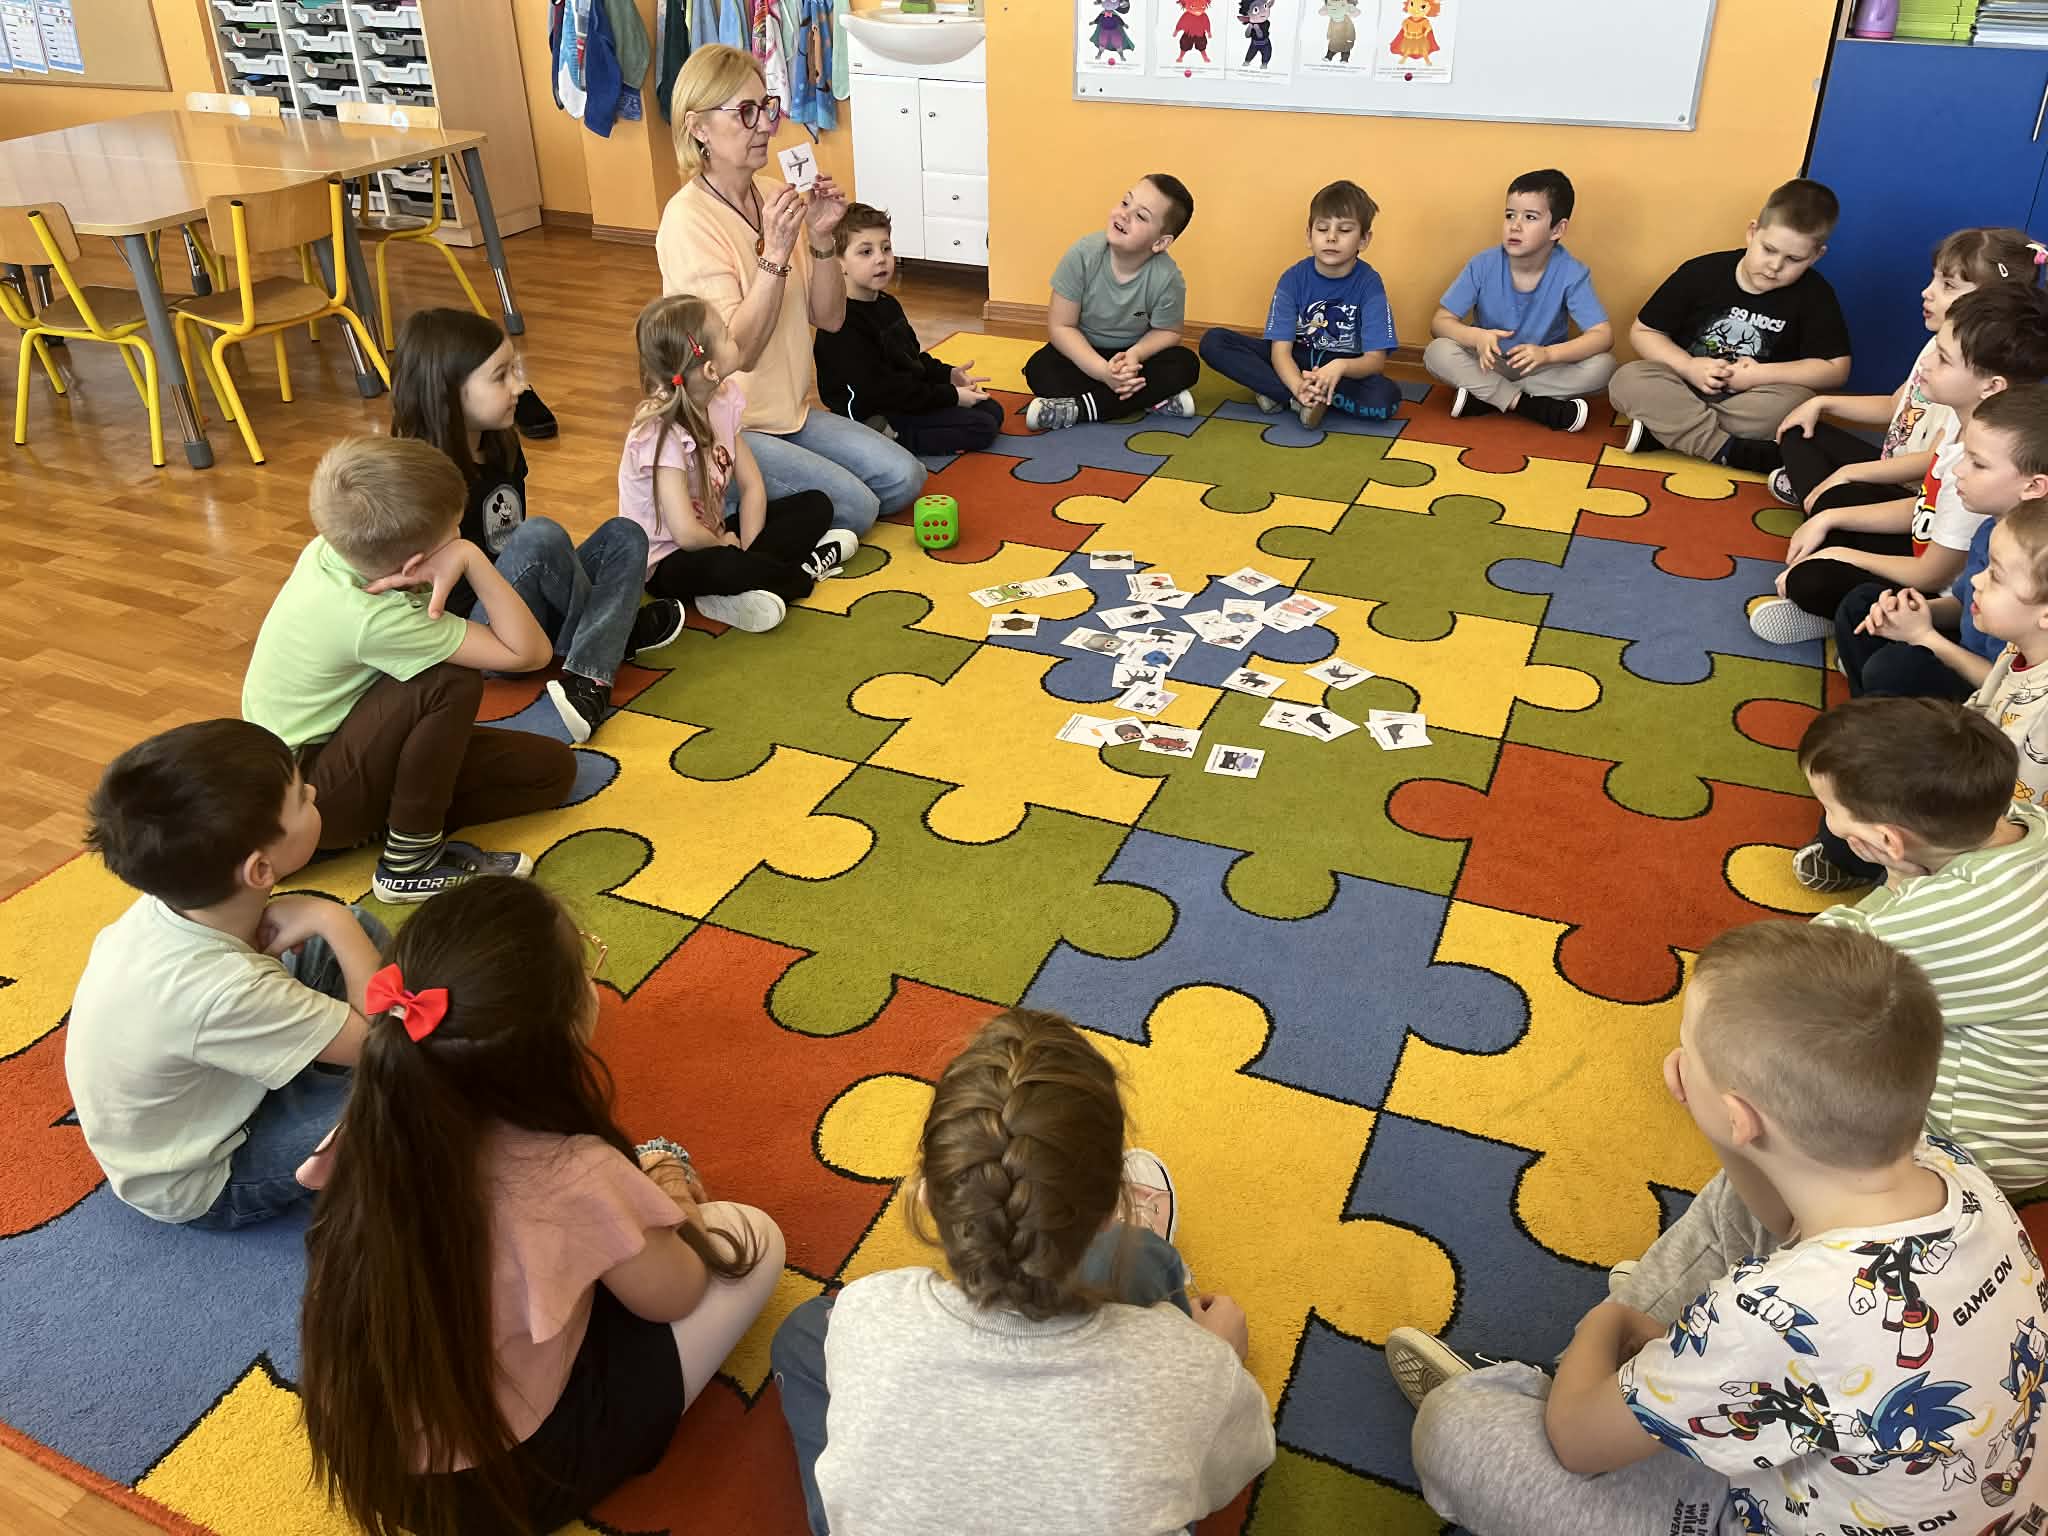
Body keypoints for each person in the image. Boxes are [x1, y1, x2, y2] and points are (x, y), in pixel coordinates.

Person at [1386, 920, 2048, 1535]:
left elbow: (1577, 1443)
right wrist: (1725, 1136)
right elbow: (1785, 1219)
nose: (1678, 1058)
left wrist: (1609, 1323)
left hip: (1763, 1499)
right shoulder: (1953, 1169)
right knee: (1745, 1195)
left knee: (1460, 1432)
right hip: (1938, 1475)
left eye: (1687, 1047)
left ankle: (1569, 1382)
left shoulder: (1765, 1317)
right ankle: (1660, 1381)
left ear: (1740, 1116)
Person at [297, 876, 784, 1536]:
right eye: (584, 962)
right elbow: (676, 1295)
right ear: (562, 1027)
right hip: (501, 1489)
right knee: (752, 1237)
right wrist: (667, 1186)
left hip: (371, 1461)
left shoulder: (372, 1126)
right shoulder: (576, 1172)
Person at [768, 1008, 1275, 1535]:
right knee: (1144, 1262)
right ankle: (1138, 1249)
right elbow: (1237, 1464)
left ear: (927, 1196)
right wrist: (1219, 1356)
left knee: (806, 1332)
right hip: (1160, 1378)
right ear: (1110, 1208)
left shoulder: (867, 1310)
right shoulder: (1194, 1365)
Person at [65, 719, 385, 1229]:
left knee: (347, 939)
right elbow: (380, 1046)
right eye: (298, 798)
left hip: (208, 1096)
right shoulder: (226, 989)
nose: (313, 791)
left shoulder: (170, 906)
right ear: (260, 870)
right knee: (404, 1093)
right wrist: (331, 918)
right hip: (211, 1174)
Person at [241, 437, 576, 904]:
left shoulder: (331, 550)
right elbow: (530, 653)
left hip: (342, 753)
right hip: (308, 793)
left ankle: (388, 824)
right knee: (449, 678)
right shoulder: (372, 617)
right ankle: (409, 861)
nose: (461, 535)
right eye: (457, 529)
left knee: (552, 772)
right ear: (415, 562)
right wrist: (471, 558)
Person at [657, 44, 926, 538]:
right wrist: (776, 255)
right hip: (729, 430)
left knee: (905, 477)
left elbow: (830, 318)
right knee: (858, 508)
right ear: (699, 128)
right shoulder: (686, 221)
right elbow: (738, 353)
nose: (765, 124)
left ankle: (775, 504)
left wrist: (821, 239)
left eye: (767, 106)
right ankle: (721, 508)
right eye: (746, 111)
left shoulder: (770, 193)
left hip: (791, 415)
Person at [389, 308, 685, 744]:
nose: (520, 387)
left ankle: (598, 650)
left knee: (626, 534)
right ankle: (601, 661)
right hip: (485, 634)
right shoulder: (417, 476)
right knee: (539, 535)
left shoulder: (501, 442)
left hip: (524, 608)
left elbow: (515, 553)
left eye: (515, 371)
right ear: (448, 391)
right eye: (500, 376)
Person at [1791, 698, 2048, 1188]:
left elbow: (1801, 964)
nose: (1829, 822)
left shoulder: (1950, 914)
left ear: (1888, 842)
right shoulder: (2030, 820)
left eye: (1829, 810)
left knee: (1780, 1042)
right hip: (2032, 1120)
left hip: (1970, 1148)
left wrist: (1896, 882)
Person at [1753, 285, 2048, 646]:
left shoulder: (1982, 464)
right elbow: (1925, 505)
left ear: (1991, 386)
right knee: (1835, 503)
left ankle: (1856, 622)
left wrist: (1837, 553)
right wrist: (1830, 518)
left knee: (1813, 578)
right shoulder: (1965, 429)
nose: (1926, 363)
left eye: (1943, 359)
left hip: (1938, 594)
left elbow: (1929, 574)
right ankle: (1847, 610)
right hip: (1922, 545)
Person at [620, 295, 852, 635]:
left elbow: (752, 486)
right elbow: (685, 533)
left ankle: (748, 583)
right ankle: (801, 573)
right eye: (726, 334)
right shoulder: (660, 434)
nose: (734, 336)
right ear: (710, 369)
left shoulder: (723, 400)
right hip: (670, 562)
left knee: (817, 504)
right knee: (725, 565)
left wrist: (748, 548)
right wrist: (726, 547)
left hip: (716, 536)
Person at [1771, 227, 2044, 515]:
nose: (1927, 292)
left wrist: (1851, 473)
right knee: (1799, 433)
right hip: (1889, 466)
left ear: (1989, 303)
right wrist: (1822, 403)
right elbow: (1894, 406)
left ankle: (1817, 496)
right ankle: (1815, 491)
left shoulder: (1972, 382)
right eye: (1934, 279)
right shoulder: (1935, 346)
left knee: (1835, 496)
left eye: (1948, 285)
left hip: (1915, 494)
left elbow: (1931, 462)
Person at [1610, 178, 1851, 473]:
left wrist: (1760, 375)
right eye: (1769, 249)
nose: (1775, 266)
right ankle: (1728, 450)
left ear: (1816, 256)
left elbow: (1835, 369)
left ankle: (1662, 432)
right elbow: (1644, 331)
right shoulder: (1702, 271)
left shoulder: (1815, 294)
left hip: (1752, 399)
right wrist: (1688, 366)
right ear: (1752, 232)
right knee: (1627, 378)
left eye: (1793, 259)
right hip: (1682, 386)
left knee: (1799, 402)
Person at [1835, 382, 2048, 704]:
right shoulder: (1990, 527)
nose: (1958, 470)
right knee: (1863, 604)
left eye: (1978, 463)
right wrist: (1909, 614)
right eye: (1964, 455)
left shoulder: (2035, 560)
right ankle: (1871, 707)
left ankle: (1880, 718)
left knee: (1896, 667)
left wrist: (1926, 637)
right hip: (1966, 654)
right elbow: (1965, 606)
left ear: (2033, 486)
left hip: (1998, 696)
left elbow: (2012, 688)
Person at [1422, 168, 1615, 434]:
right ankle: (1528, 405)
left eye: (1530, 217)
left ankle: (1487, 398)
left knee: (1604, 366)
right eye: (1510, 215)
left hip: (1540, 367)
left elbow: (1602, 335)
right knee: (1437, 352)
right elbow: (1440, 322)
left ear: (1557, 229)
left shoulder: (1572, 272)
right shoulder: (1483, 264)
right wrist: (1476, 337)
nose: (1515, 226)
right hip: (1488, 364)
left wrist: (1548, 354)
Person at [1199, 178, 1400, 430]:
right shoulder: (1292, 279)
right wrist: (1296, 385)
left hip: (1342, 369)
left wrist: (1339, 367)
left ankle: (1276, 390)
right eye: (1322, 229)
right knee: (1214, 341)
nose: (1331, 237)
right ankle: (1301, 397)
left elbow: (1375, 361)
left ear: (1363, 240)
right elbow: (1280, 351)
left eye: (1345, 230)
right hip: (1296, 358)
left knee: (1386, 399)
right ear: (1309, 235)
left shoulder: (1370, 284)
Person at [812, 202, 1004, 455]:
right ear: (840, 263)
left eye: (886, 248)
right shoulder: (841, 321)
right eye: (866, 252)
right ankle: (893, 440)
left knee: (992, 410)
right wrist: (951, 396)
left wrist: (947, 374)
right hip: (872, 413)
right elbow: (882, 390)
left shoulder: (888, 304)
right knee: (982, 427)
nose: (880, 259)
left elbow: (912, 360)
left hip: (904, 397)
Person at [1023, 174, 1201, 432]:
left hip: (1133, 360)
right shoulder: (1082, 255)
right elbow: (1061, 326)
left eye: (1141, 216)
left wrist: (1135, 355)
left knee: (1185, 364)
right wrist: (1102, 371)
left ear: (1160, 242)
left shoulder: (1167, 277)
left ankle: (1079, 409)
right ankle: (1151, 399)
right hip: (1085, 353)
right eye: (1126, 202)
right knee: (1039, 369)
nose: (1124, 215)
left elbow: (1168, 332)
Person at [1965, 499, 2048, 804]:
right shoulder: (2019, 646)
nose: (1976, 579)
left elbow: (2017, 814)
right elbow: (1979, 711)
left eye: (1996, 576)